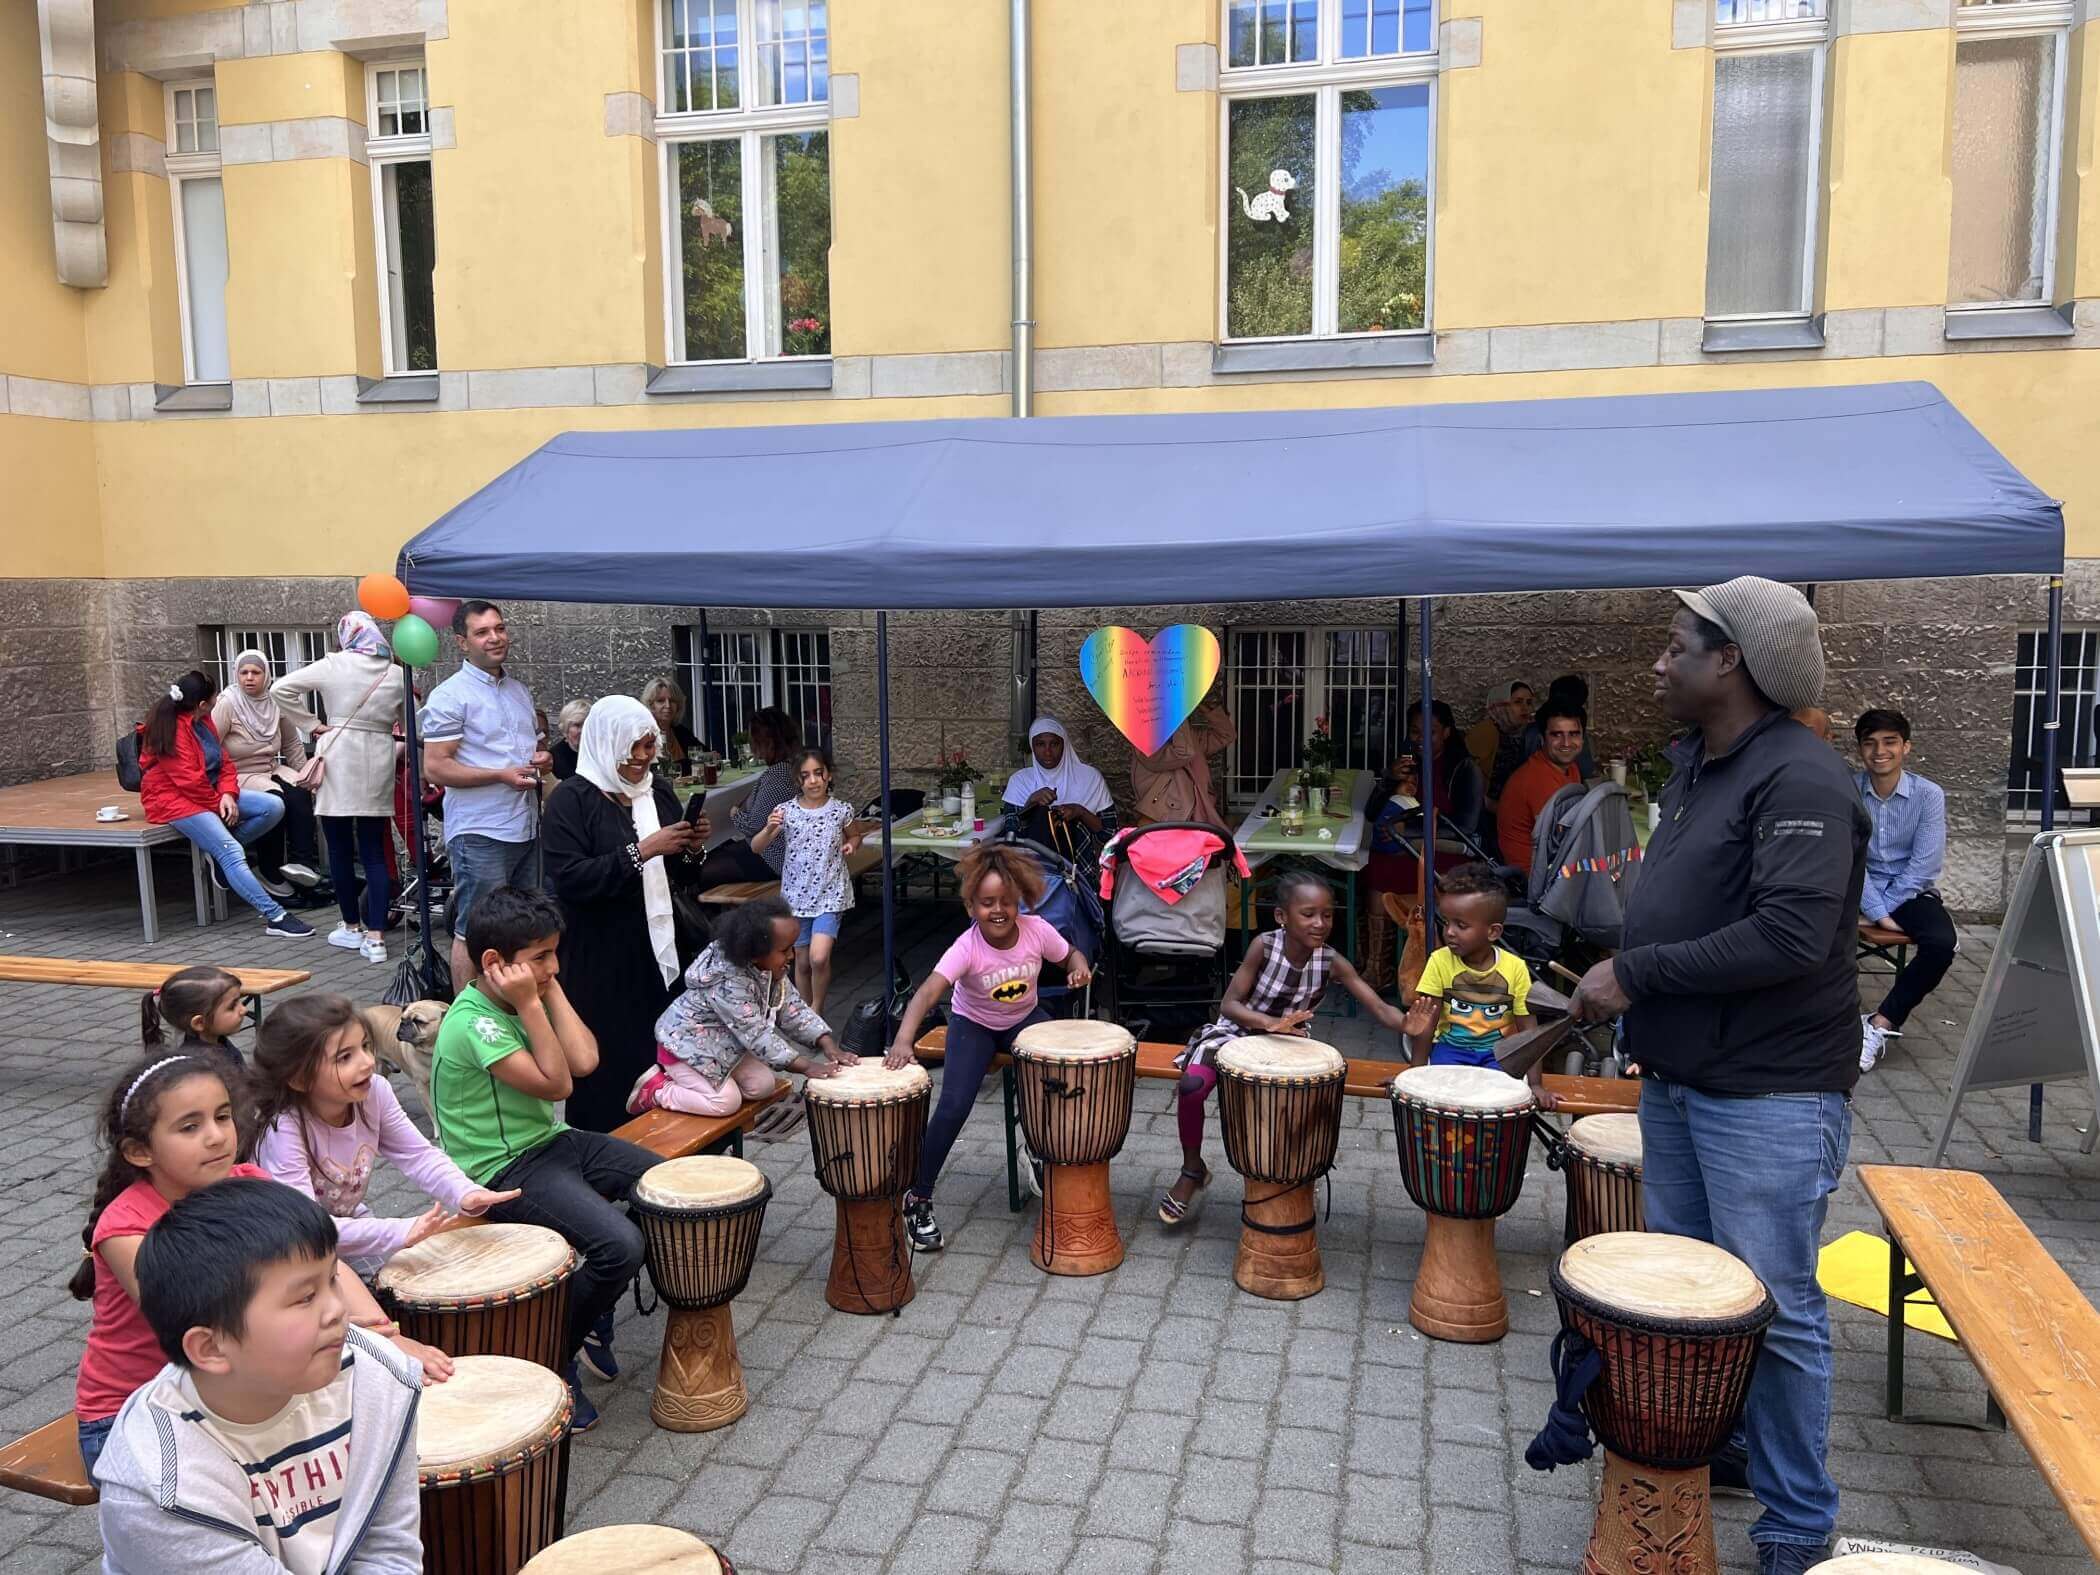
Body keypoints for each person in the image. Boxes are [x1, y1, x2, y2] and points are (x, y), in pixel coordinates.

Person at [1569, 576, 1867, 1575]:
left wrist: (1636, 973)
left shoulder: (1804, 779)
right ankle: (1727, 1446)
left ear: (1729, 659)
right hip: (1686, 1078)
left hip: (1770, 1095)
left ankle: (1795, 1525)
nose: (1659, 661)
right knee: (1698, 1294)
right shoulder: (1703, 764)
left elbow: (1789, 934)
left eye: (1675, 645)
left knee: (1774, 1310)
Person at [69, 1054, 445, 1480]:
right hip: (135, 1414)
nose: (216, 1137)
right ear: (139, 1151)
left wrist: (385, 1337)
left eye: (223, 1116)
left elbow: (325, 1265)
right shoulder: (127, 1229)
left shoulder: (251, 1182)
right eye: (190, 1127)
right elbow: (217, 1320)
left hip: (238, 1389)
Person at [94, 1179, 425, 1573]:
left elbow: (388, 1549)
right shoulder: (162, 1486)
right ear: (211, 1348)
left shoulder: (377, 1377)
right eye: (305, 1297)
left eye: (333, 1279)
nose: (337, 1309)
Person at [430, 884, 660, 1430]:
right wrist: (534, 1001)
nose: (554, 965)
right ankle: (553, 1354)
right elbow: (557, 1086)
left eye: (555, 952)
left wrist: (545, 987)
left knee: (663, 1185)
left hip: (550, 1145)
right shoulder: (473, 1022)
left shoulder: (529, 990)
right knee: (619, 1246)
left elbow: (584, 1060)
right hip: (503, 1169)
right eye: (540, 957)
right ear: (494, 964)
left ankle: (590, 1305)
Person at [1160, 870, 1403, 1224]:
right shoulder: (1264, 945)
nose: (1320, 923)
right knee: (1192, 1086)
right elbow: (1229, 1005)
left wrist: (1408, 1023)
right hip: (1237, 1032)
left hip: (1289, 1045)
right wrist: (1267, 1023)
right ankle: (1192, 1168)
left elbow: (1379, 1006)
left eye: (1328, 914)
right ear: (1281, 917)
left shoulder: (1331, 960)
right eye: (1308, 914)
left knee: (1294, 1105)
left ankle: (1293, 1177)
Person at [884, 843, 1093, 1253]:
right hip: (973, 1025)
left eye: (1006, 902)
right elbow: (927, 993)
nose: (998, 910)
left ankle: (1038, 1149)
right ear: (971, 908)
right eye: (987, 903)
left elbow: (1072, 955)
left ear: (1020, 902)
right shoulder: (967, 946)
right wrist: (903, 1040)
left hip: (1024, 1018)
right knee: (954, 1105)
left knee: (1063, 1075)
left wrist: (1079, 968)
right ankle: (917, 1198)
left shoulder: (1037, 930)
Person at [250, 994, 518, 1276]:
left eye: (366, 1046)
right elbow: (304, 1227)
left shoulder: (374, 1091)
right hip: (284, 1248)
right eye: (345, 1057)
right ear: (299, 1079)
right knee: (368, 1310)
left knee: (406, 1286)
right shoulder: (284, 1129)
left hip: (346, 1225)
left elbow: (417, 1155)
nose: (367, 1062)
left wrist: (465, 1192)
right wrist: (405, 1229)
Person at [540, 696, 710, 1133]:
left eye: (649, 747)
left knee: (665, 1060)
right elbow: (571, 879)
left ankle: (673, 1166)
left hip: (659, 949)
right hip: (600, 957)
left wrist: (691, 849)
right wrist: (643, 851)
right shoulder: (570, 801)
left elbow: (684, 877)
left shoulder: (658, 793)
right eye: (632, 748)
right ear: (605, 741)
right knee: (610, 1067)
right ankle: (608, 1171)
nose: (641, 759)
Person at [420, 599, 549, 988]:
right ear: (462, 642)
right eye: (482, 632)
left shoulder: (518, 691)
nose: (495, 638)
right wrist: (500, 775)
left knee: (526, 929)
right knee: (475, 931)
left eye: (500, 628)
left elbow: (532, 751)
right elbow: (436, 767)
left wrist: (542, 758)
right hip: (480, 831)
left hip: (526, 826)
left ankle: (515, 1007)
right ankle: (468, 1020)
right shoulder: (450, 695)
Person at [632, 897, 856, 1117]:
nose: (791, 956)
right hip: (685, 1048)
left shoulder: (768, 968)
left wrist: (827, 1044)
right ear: (756, 952)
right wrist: (806, 1066)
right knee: (726, 1103)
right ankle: (658, 1090)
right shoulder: (727, 983)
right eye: (785, 949)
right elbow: (756, 1035)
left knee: (763, 1086)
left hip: (723, 1047)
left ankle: (709, 1084)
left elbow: (791, 1007)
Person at [136, 670, 313, 938]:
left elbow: (225, 762)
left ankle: (220, 859)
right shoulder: (172, 730)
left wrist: (228, 793)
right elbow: (189, 781)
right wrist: (218, 803)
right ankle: (275, 916)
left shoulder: (203, 719)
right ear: (203, 703)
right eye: (216, 694)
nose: (220, 696)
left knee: (273, 807)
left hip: (210, 792)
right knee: (231, 852)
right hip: (174, 801)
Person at [274, 614, 405, 962]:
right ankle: (377, 937)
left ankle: (351, 927)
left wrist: (313, 726)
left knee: (340, 851)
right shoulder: (394, 672)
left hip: (338, 757)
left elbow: (279, 688)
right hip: (378, 759)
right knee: (376, 852)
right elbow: (412, 723)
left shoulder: (334, 664)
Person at [1853, 708, 1956, 1072]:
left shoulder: (1928, 795)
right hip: (1855, 889)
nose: (1880, 751)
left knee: (1943, 944)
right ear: (1861, 750)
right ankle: (1829, 1024)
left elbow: (1924, 864)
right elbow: (1849, 859)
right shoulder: (1847, 791)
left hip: (1909, 892)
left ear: (1906, 747)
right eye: (1870, 743)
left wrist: (1885, 908)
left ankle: (1880, 1023)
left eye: (1890, 742)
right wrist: (1876, 912)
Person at [1402, 864, 1550, 1103]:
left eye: (1461, 925)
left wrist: (1536, 1085)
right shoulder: (1439, 962)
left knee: (1501, 1100)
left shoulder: (1515, 969)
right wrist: (1414, 1074)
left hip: (1499, 1055)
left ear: (1493, 932)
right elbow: (1426, 1022)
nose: (1449, 932)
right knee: (1443, 1098)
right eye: (1446, 921)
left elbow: (1528, 1031)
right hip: (1451, 1051)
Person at [751, 746, 876, 1014]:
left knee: (820, 957)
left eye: (818, 773)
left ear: (828, 775)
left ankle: (817, 1009)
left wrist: (852, 845)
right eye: (806, 775)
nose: (813, 780)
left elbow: (855, 835)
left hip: (830, 893)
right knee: (803, 962)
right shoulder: (786, 811)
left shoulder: (840, 810)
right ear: (798, 780)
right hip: (796, 897)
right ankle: (805, 1012)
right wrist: (770, 827)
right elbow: (756, 847)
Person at [211, 649, 322, 892]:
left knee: (299, 792)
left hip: (269, 768)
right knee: (275, 802)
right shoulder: (227, 703)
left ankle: (301, 865)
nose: (249, 678)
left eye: (256, 672)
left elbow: (292, 743)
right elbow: (210, 747)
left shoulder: (275, 701)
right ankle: (268, 868)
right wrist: (219, 787)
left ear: (266, 675)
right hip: (238, 773)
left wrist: (305, 774)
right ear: (236, 675)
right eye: (244, 672)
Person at [695, 706, 801, 888]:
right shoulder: (790, 766)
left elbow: (753, 825)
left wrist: (735, 813)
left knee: (701, 871)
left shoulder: (778, 776)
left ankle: (705, 915)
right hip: (779, 850)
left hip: (773, 857)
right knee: (713, 855)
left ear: (766, 742)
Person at [1003, 716, 1118, 863]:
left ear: (1065, 745)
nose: (1048, 752)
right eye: (1040, 744)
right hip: (1032, 872)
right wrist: (1031, 802)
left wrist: (1079, 812)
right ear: (1032, 747)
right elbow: (1012, 836)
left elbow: (1110, 835)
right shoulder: (1020, 781)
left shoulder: (1090, 778)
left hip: (1080, 870)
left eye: (1054, 744)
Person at [1496, 696, 1587, 875]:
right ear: (1541, 739)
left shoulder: (1570, 767)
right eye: (1556, 735)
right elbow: (1564, 842)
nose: (1567, 743)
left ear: (1583, 738)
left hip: (1554, 865)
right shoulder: (1536, 778)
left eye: (1574, 734)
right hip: (1533, 878)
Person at [140, 964, 248, 1087]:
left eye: (239, 1000)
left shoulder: (219, 1044)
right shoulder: (200, 1070)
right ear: (199, 1023)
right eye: (232, 1006)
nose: (243, 1010)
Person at [1132, 700, 1234, 828]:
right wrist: (1178, 711)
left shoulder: (1188, 738)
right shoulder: (1146, 745)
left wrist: (1209, 709)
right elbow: (1184, 753)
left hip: (1193, 815)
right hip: (1167, 820)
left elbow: (1226, 735)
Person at [1408, 699, 1489, 844]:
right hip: (1405, 846)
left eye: (1430, 732)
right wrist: (1389, 779)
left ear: (1446, 732)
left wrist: (1407, 831)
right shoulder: (1408, 764)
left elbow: (1465, 827)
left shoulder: (1466, 769)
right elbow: (1371, 814)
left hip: (1449, 851)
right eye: (1415, 731)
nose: (1420, 738)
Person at [1520, 675, 1600, 781]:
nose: (1566, 742)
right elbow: (1588, 773)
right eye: (1557, 734)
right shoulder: (1537, 735)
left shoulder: (1531, 729)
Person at [1468, 681, 1535, 807]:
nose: (1525, 708)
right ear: (1501, 705)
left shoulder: (1529, 733)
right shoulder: (1485, 732)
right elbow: (1469, 781)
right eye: (1518, 702)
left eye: (1529, 702)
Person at [641, 676, 701, 774]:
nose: (668, 706)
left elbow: (705, 755)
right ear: (651, 705)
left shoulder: (680, 732)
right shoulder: (643, 736)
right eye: (660, 701)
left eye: (672, 701)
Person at [550, 698, 588, 780]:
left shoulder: (600, 753)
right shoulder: (554, 758)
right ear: (565, 729)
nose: (583, 730)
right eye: (577, 725)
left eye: (587, 724)